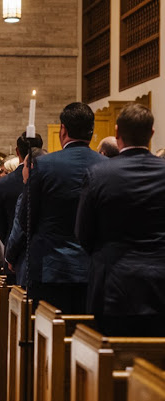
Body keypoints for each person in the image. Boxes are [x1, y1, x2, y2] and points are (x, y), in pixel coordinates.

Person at [76, 103, 165, 336]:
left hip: (113, 285)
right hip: (160, 283)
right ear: (151, 134)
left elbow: (83, 232)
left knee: (111, 360)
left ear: (117, 133)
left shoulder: (99, 174)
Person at [15, 102, 106, 313]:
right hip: (92, 269)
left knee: (47, 336)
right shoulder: (106, 166)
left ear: (63, 130)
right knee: (86, 339)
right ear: (92, 131)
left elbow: (25, 217)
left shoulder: (44, 165)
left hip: (50, 268)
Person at [0, 132, 43, 247]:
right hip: (44, 250)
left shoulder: (3, 184)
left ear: (17, 151)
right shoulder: (51, 178)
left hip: (14, 250)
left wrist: (9, 244)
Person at [4, 147, 47, 280]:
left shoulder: (26, 196)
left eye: (23, 167)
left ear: (30, 167)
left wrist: (9, 257)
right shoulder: (54, 192)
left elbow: (19, 229)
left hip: (29, 262)